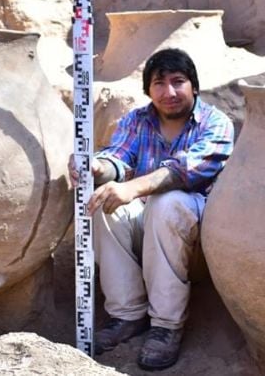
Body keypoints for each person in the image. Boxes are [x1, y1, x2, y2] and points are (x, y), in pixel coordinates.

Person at [68, 48, 234, 370]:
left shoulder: (216, 123)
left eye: (178, 82)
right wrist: (95, 167)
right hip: (148, 227)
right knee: (102, 202)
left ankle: (166, 326)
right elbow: (117, 158)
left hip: (196, 241)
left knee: (167, 202)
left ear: (194, 86)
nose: (169, 92)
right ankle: (127, 315)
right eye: (159, 84)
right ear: (148, 91)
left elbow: (185, 170)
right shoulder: (138, 120)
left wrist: (133, 187)